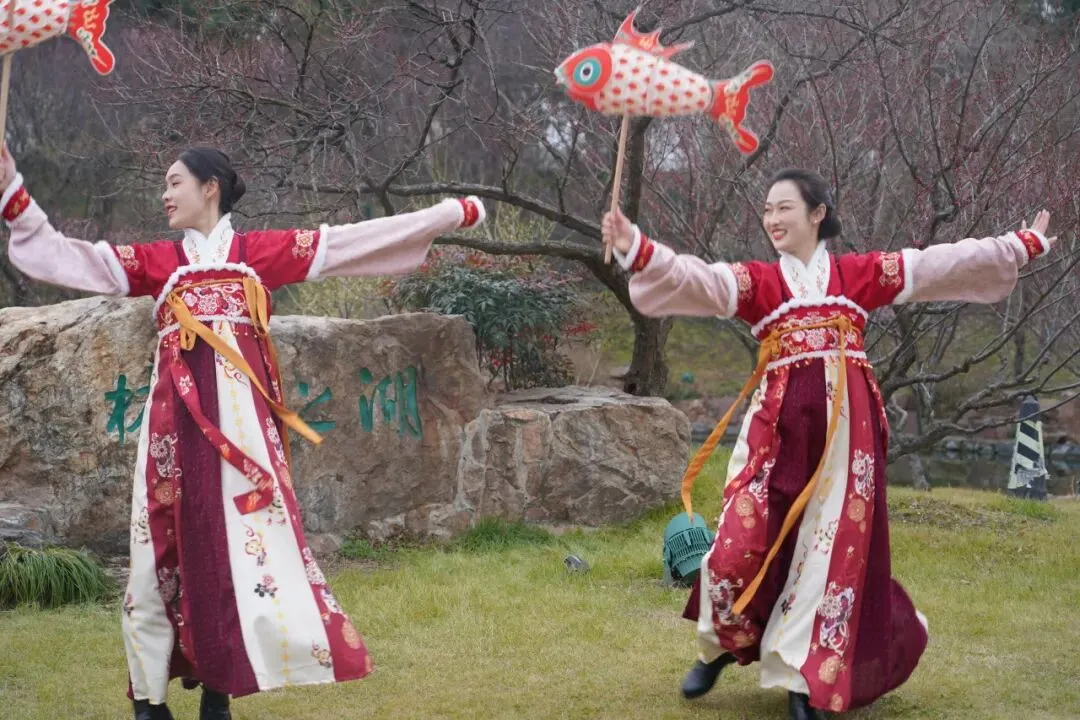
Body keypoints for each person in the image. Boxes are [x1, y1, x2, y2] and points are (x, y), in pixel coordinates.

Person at [0, 144, 486, 720]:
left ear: (210, 187)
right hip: (174, 434)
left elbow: (351, 242)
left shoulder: (257, 255)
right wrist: (13, 191)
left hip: (246, 441)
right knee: (157, 554)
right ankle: (149, 702)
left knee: (237, 555)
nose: (165, 194)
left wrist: (448, 214)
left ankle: (219, 690)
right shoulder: (159, 262)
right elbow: (66, 257)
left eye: (175, 182)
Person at [601, 168, 1054, 719]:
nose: (772, 219)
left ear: (817, 214)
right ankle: (718, 646)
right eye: (767, 209)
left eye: (784, 208)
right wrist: (637, 246)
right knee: (737, 545)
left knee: (827, 558)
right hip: (778, 439)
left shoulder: (858, 276)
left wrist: (1018, 245)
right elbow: (698, 279)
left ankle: (803, 681)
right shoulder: (761, 283)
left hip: (846, 446)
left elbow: (937, 264)